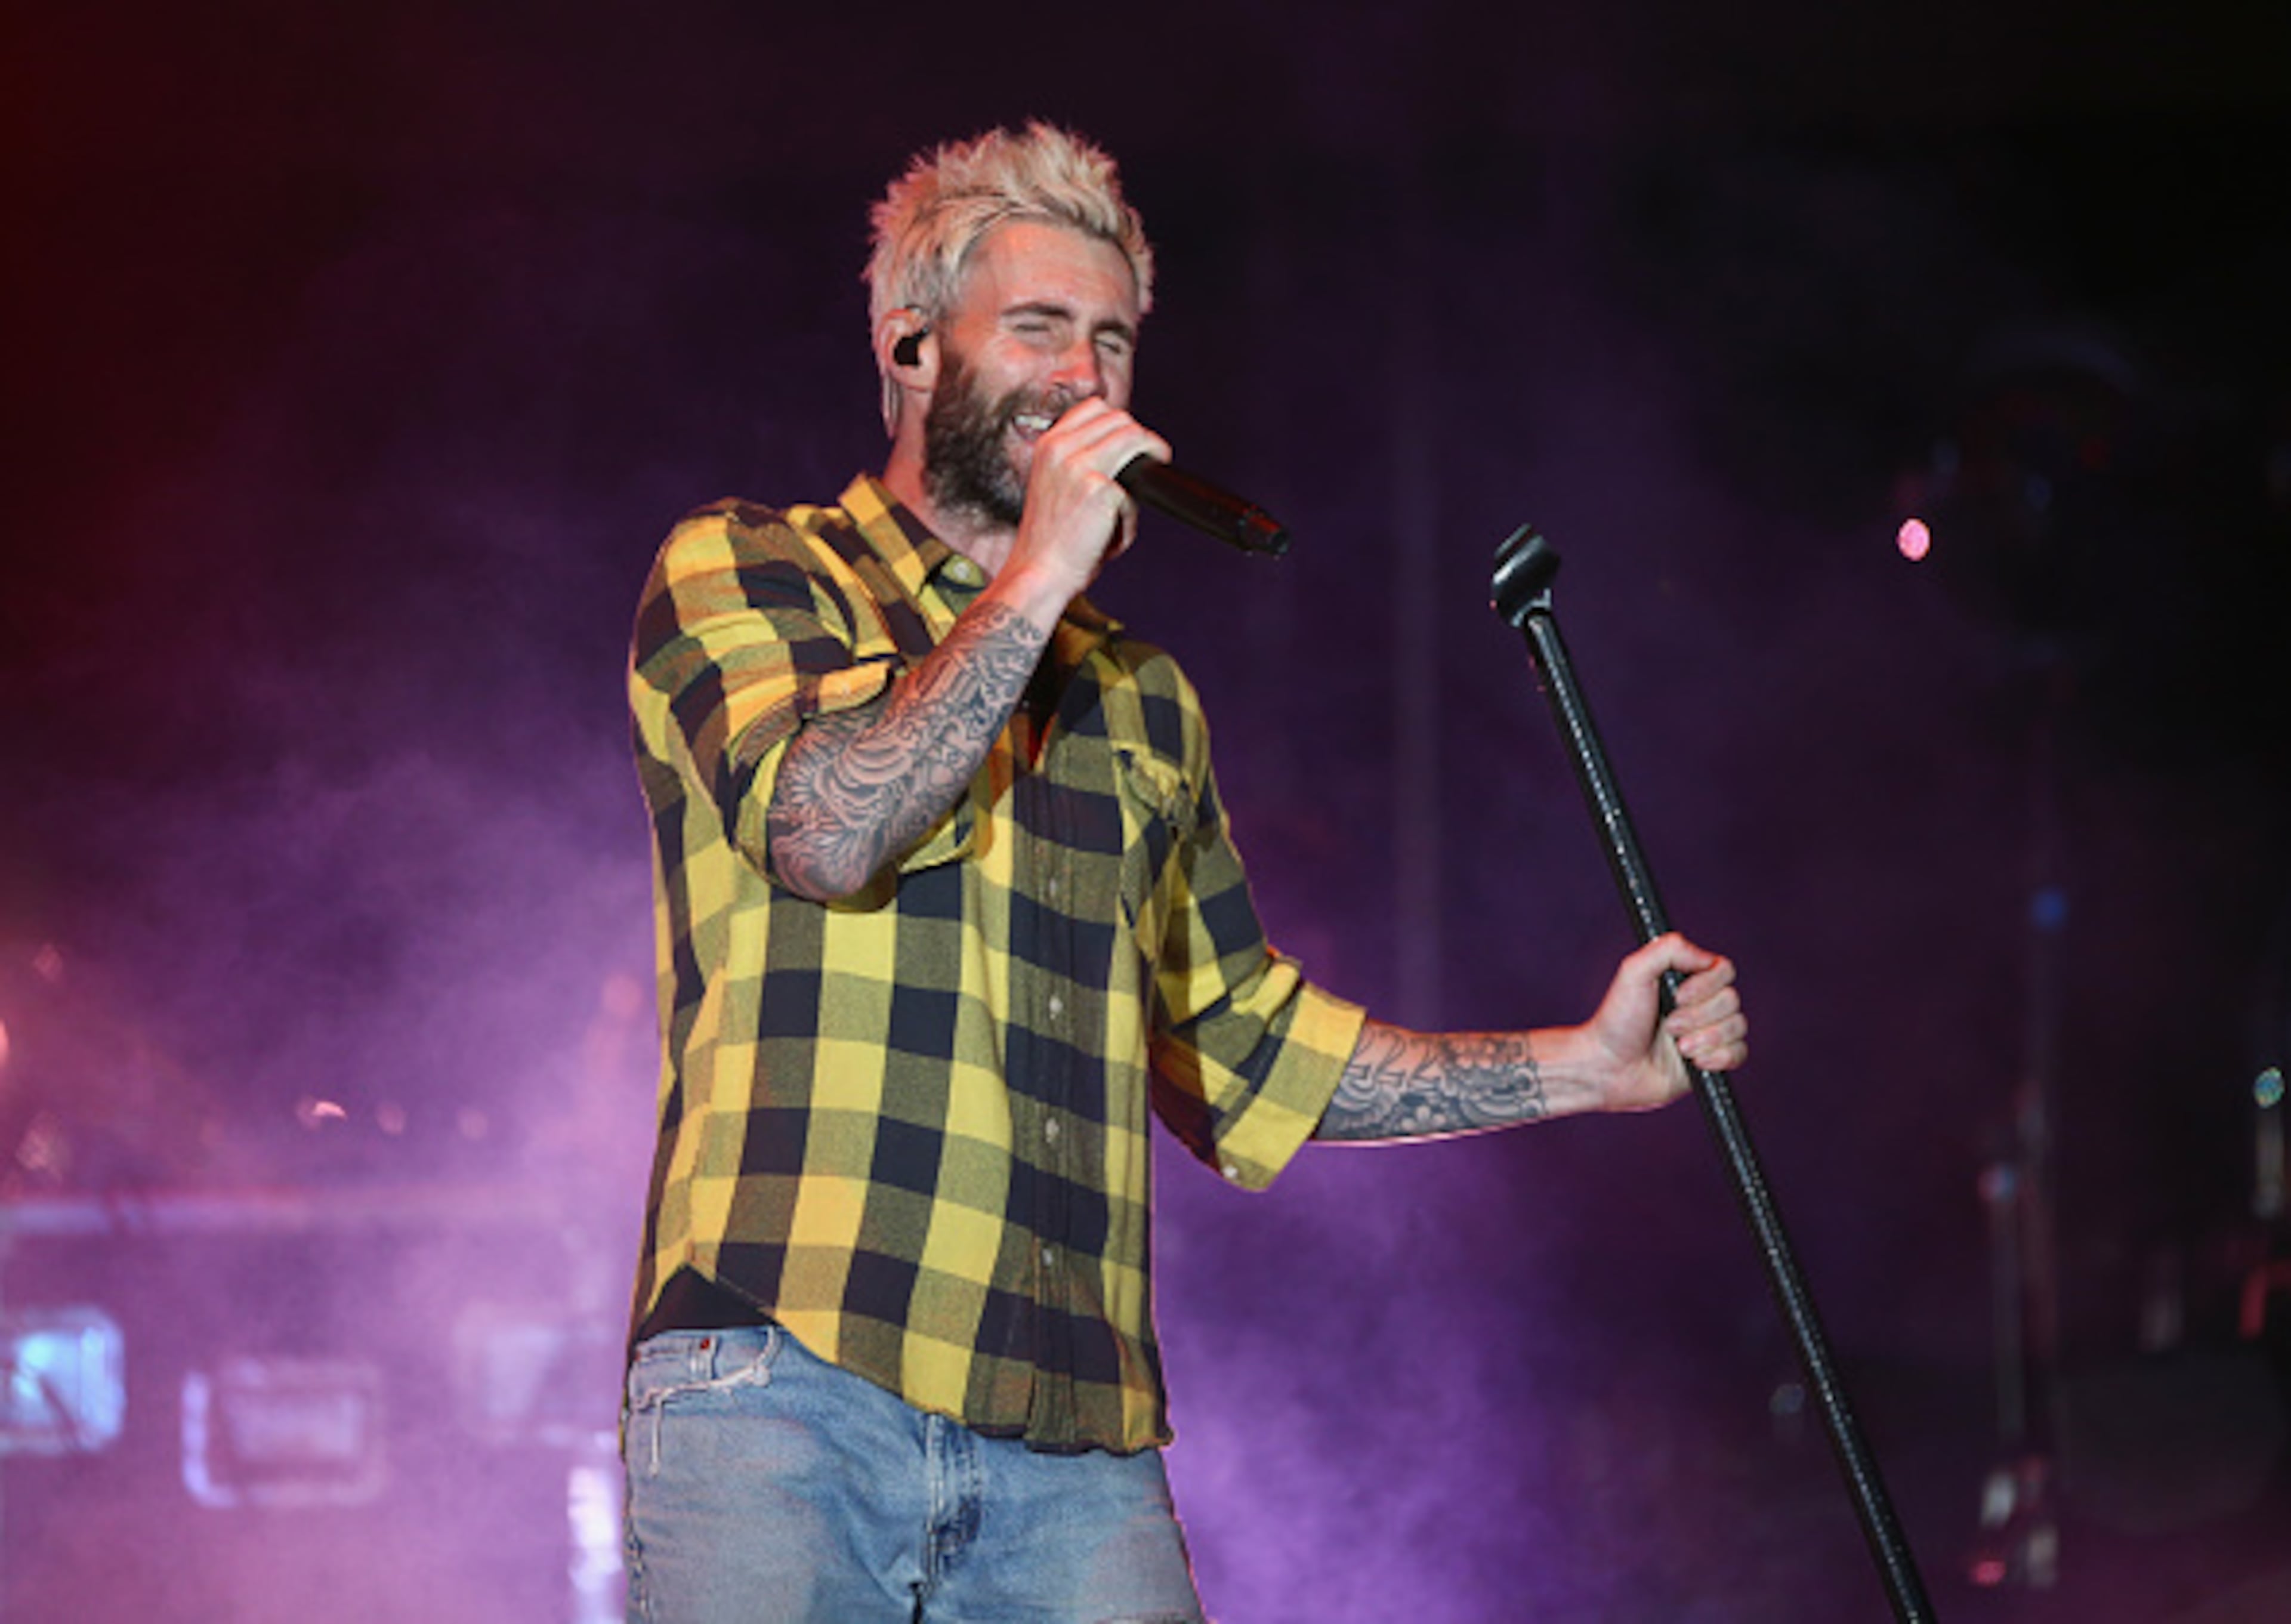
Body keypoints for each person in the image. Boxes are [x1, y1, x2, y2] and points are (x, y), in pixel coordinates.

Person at [619, 123, 1747, 1624]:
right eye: (1037, 328)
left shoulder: (1140, 697)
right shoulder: (755, 565)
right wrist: (1036, 574)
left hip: (1074, 1440)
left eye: (1112, 342)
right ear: (910, 346)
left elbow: (1241, 1048)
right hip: (785, 1384)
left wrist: (1584, 1067)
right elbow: (824, 829)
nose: (1084, 377)